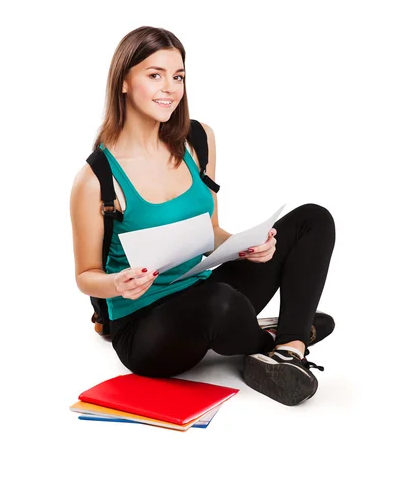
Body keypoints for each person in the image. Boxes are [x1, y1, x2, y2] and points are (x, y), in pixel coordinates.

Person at [69, 26, 336, 407]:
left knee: (314, 219)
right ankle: (269, 336)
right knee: (220, 302)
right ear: (124, 82)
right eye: (154, 75)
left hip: (203, 284)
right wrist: (118, 284)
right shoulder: (96, 179)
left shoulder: (198, 140)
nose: (170, 88)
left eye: (177, 76)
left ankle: (290, 348)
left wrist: (247, 247)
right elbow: (85, 277)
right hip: (145, 326)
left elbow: (210, 232)